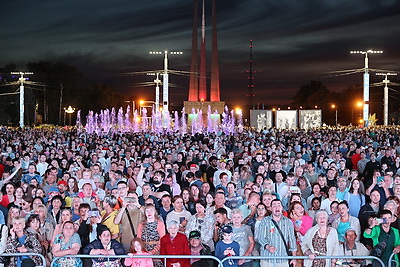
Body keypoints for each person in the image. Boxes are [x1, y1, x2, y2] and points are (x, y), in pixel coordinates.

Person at [256, 199, 297, 267]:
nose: (277, 207)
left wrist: (294, 258)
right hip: (267, 258)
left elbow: (292, 240)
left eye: (279, 205)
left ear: (282, 208)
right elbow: (260, 238)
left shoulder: (288, 222)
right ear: (271, 208)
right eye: (274, 206)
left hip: (283, 258)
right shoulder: (265, 221)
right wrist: (268, 247)